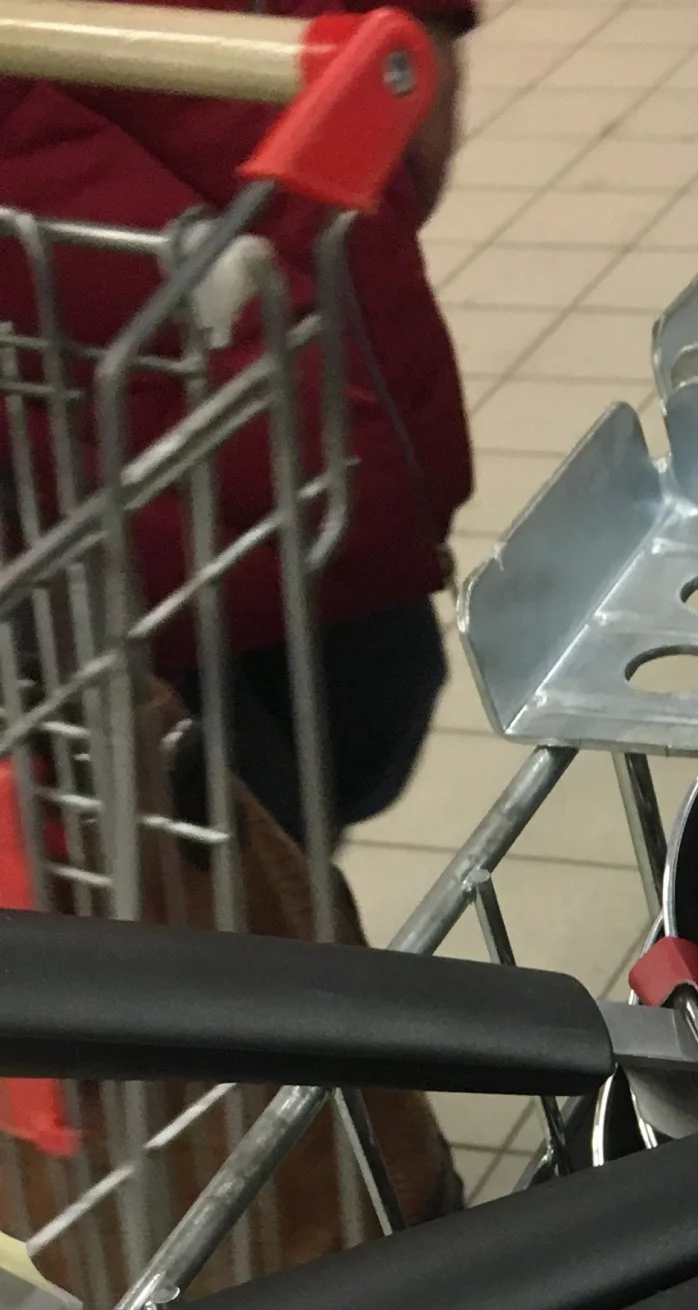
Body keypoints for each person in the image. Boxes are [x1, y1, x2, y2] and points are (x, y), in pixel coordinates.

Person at [0, 0, 477, 847]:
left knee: (372, 704)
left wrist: (417, 25)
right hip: (74, 445)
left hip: (303, 297)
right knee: (227, 844)